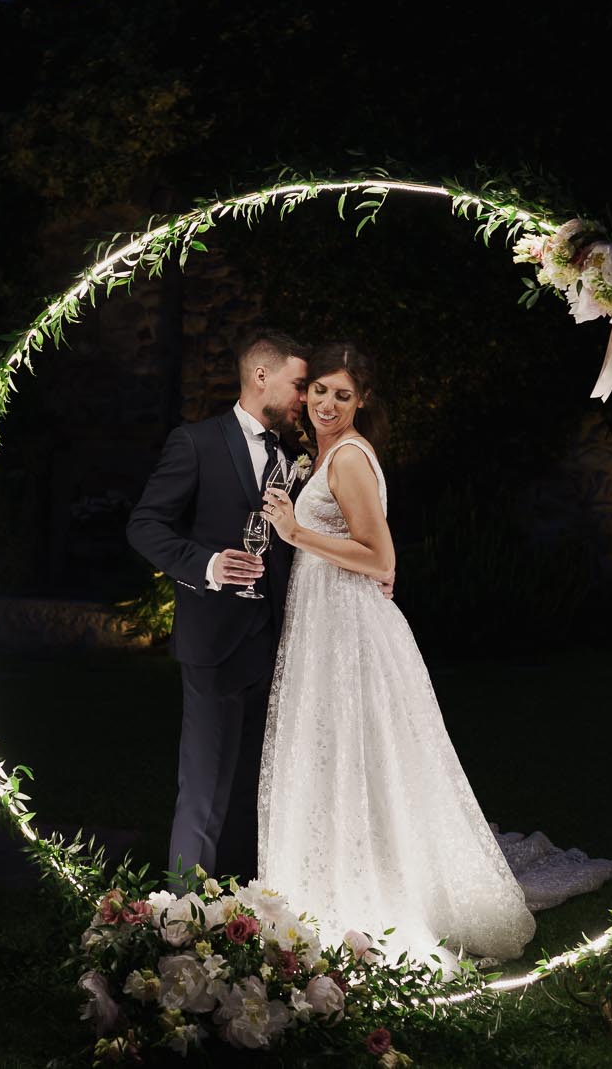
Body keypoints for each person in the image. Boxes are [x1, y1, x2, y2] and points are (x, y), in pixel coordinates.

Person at [257, 342, 612, 972]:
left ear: (362, 401)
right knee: (338, 752)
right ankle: (333, 876)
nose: (328, 403)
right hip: (326, 620)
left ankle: (371, 890)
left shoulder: (347, 456)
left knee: (358, 751)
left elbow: (382, 559)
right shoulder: (321, 453)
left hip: (348, 627)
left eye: (343, 395)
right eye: (320, 390)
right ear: (306, 391)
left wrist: (297, 533)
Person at [127, 330, 395, 889]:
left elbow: (329, 533)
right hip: (217, 638)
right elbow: (145, 525)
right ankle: (184, 911)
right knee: (203, 785)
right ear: (261, 377)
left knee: (267, 781)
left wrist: (371, 576)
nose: (307, 400)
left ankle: (253, 903)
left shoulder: (299, 454)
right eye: (302, 386)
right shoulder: (196, 443)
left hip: (287, 639)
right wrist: (205, 565)